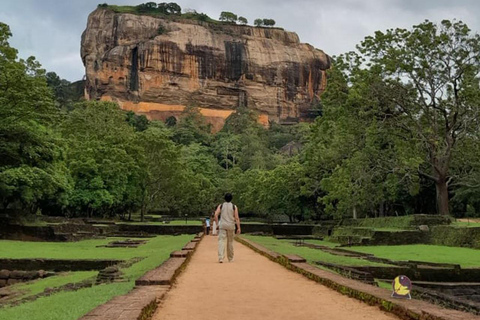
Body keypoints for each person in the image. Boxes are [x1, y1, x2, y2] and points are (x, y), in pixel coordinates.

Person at [214, 193, 241, 263]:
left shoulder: (221, 206)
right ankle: (230, 258)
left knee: (221, 241)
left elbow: (216, 215)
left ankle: (221, 258)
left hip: (222, 225)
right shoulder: (234, 206)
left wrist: (217, 224)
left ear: (224, 198)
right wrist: (238, 227)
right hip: (231, 225)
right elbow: (237, 218)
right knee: (230, 242)